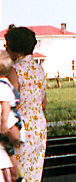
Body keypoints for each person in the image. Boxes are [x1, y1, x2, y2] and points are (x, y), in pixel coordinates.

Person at [5, 25, 47, 182]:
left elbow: (9, 103)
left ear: (15, 49)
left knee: (18, 175)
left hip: (21, 130)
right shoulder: (39, 69)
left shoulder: (14, 70)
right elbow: (43, 103)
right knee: (34, 175)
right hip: (38, 128)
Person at [0, 51, 22, 182]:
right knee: (11, 152)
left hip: (8, 120)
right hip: (14, 119)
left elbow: (6, 106)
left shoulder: (1, 87)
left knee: (9, 150)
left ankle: (16, 176)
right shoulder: (7, 83)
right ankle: (17, 176)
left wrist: (3, 124)